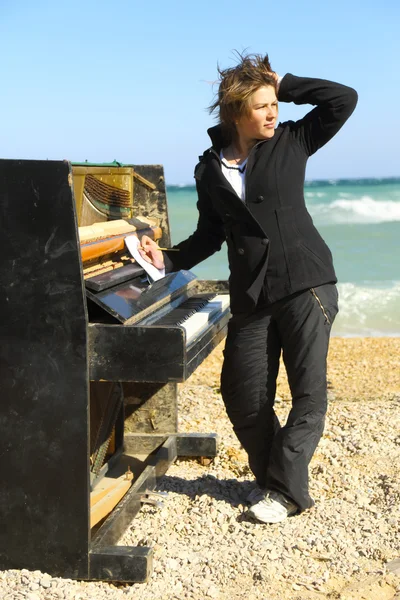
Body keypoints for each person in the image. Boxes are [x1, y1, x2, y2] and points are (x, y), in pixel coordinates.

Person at [139, 53, 358, 523]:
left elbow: (343, 99)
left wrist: (287, 83)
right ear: (236, 112)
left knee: (307, 392)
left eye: (274, 103)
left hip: (307, 283)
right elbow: (209, 235)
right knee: (242, 393)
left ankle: (284, 492)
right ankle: (276, 480)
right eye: (261, 106)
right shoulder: (209, 169)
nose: (272, 113)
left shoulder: (294, 140)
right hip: (253, 294)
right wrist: (168, 259)